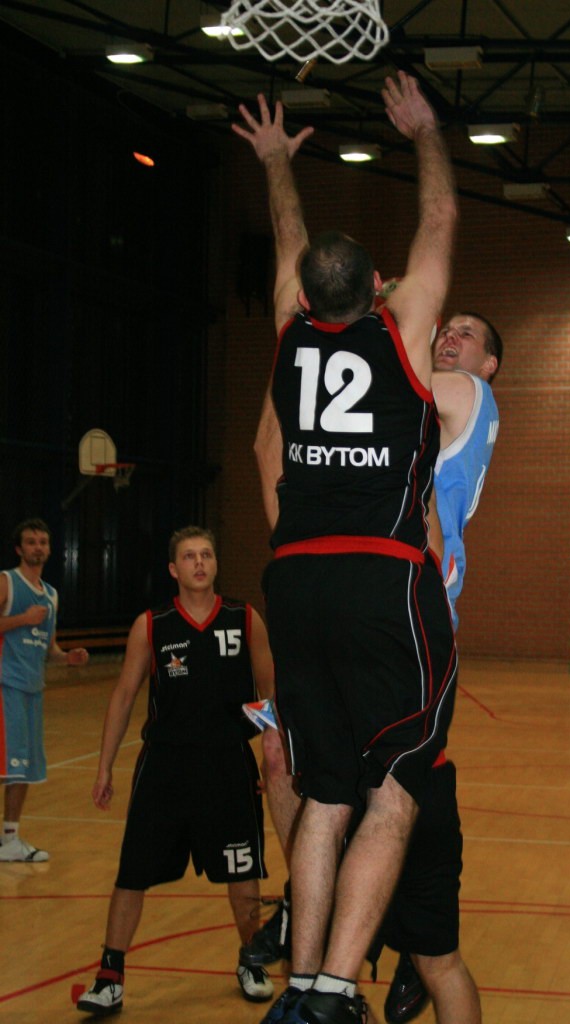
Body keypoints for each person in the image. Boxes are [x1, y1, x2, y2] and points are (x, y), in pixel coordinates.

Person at [234, 70, 458, 1024]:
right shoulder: (402, 335)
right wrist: (425, 131)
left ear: (306, 294)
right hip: (382, 575)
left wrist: (275, 161)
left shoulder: (288, 334)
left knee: (323, 795)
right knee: (397, 788)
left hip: (294, 578)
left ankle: (299, 991)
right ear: (378, 289)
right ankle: (333, 992)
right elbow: (439, 215)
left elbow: (289, 239)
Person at [76, 526, 275, 1015]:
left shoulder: (245, 619)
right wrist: (104, 767)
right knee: (132, 872)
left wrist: (276, 762)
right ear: (173, 568)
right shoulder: (152, 624)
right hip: (164, 767)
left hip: (229, 764)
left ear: (216, 564)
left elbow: (272, 694)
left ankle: (251, 960)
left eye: (207, 554)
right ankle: (110, 975)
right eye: (189, 556)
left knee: (242, 870)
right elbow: (124, 695)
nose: (200, 563)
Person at [380, 311, 502, 1024]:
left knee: (394, 784)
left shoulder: (467, 393)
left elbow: (395, 373)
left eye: (468, 334)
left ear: (488, 365)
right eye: (446, 327)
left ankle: (413, 938)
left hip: (416, 617)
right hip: (394, 608)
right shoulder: (436, 410)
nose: (452, 336)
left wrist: (386, 313)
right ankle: (398, 932)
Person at [0, 517, 88, 863]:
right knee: (6, 765)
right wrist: (22, 619)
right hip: (5, 686)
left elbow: (48, 648)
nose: (38, 547)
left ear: (50, 549)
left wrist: (67, 658)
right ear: (19, 549)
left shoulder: (51, 595)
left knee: (21, 769)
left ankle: (10, 839)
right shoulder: (7, 582)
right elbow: (22, 625)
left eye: (43, 542)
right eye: (31, 542)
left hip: (32, 690)